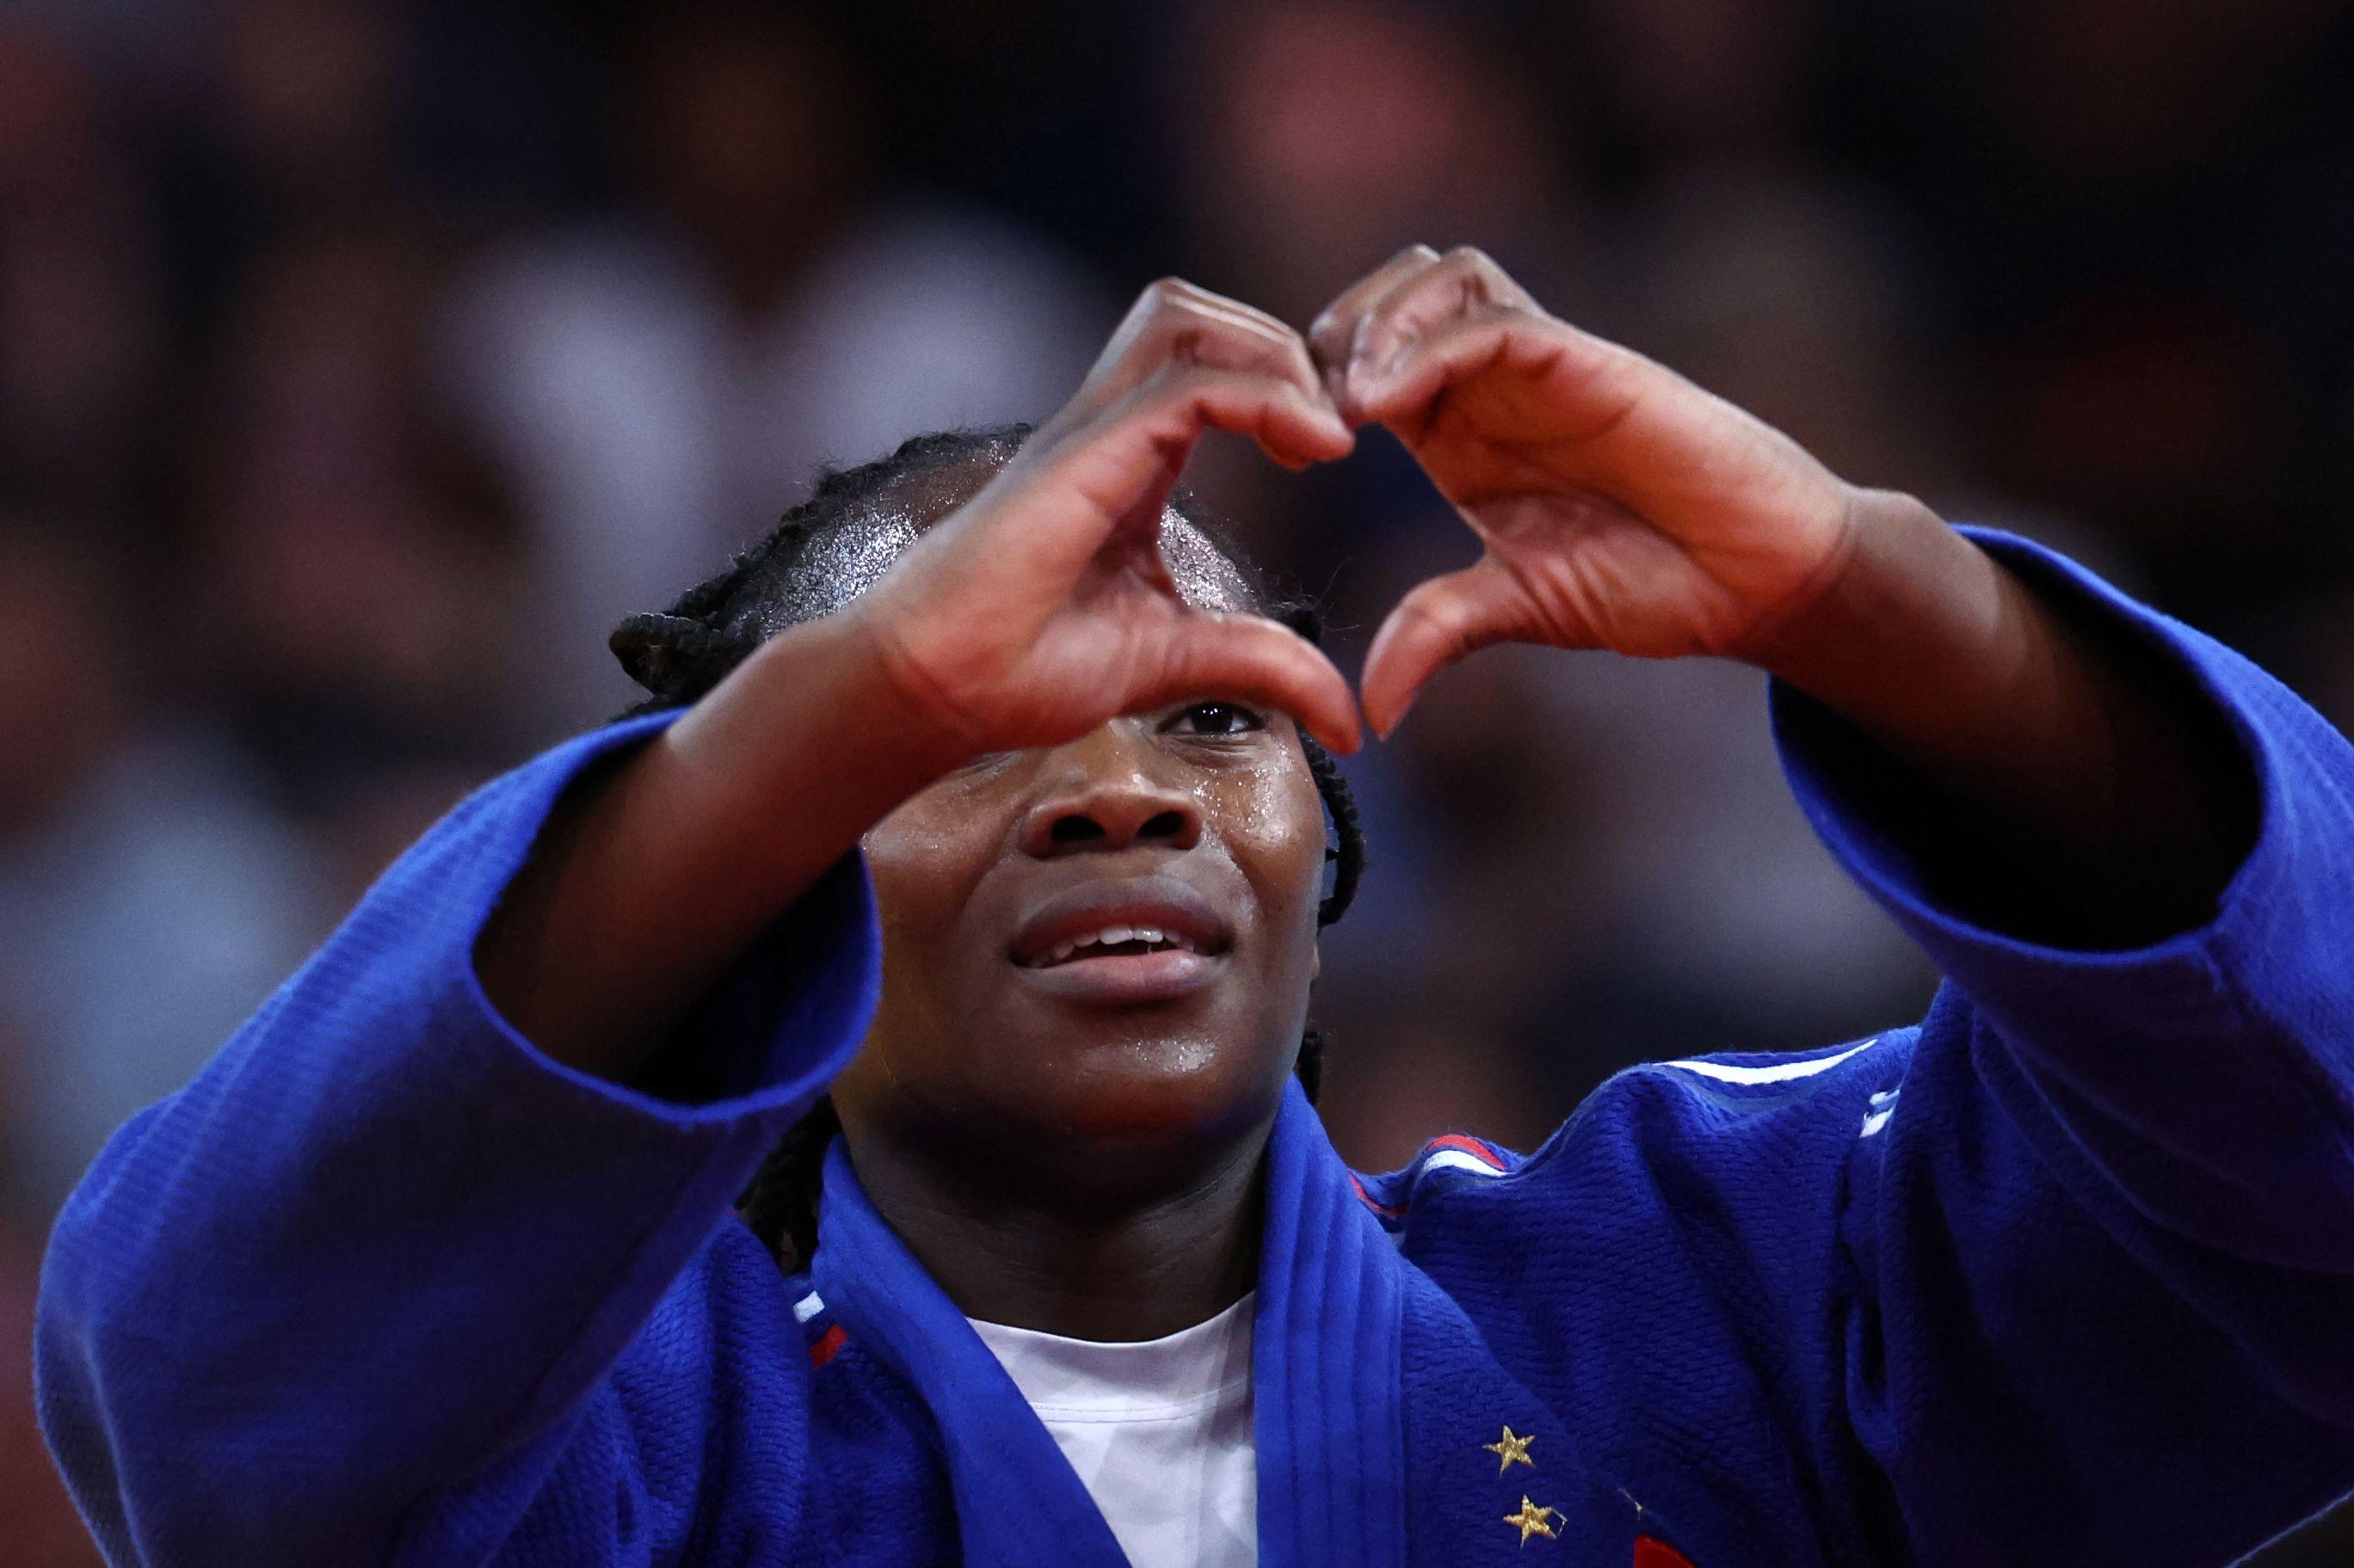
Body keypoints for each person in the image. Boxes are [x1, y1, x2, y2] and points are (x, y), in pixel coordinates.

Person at [34, 250, 2354, 1567]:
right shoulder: (631, 1451)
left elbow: (2308, 1171)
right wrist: (834, 707)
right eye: (960, 743)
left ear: (1320, 873)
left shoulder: (1709, 1293)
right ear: (765, 913)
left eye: (1216, 722)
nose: (1116, 791)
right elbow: (213, 1381)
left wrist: (1869, 593)